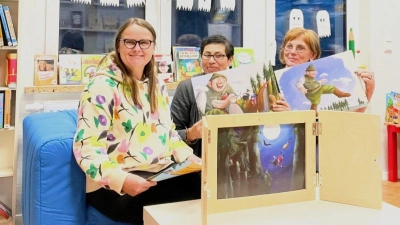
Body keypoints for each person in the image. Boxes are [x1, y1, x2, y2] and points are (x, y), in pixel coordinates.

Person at [73, 18, 201, 225]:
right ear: (118, 45)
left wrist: (188, 157)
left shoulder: (156, 83)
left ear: (153, 47)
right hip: (114, 184)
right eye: (129, 42)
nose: (137, 48)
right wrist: (121, 180)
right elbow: (86, 148)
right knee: (184, 210)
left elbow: (169, 134)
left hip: (158, 172)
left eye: (144, 43)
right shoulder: (100, 86)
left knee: (211, 190)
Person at [171, 34, 290, 157]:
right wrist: (190, 134)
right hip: (202, 164)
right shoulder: (188, 87)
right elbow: (171, 134)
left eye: (219, 56)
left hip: (243, 157)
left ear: (230, 59)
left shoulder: (237, 86)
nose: (211, 61)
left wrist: (284, 115)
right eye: (207, 55)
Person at [278, 27, 375, 112]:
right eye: (289, 46)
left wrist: (368, 91)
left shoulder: (317, 74)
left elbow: (349, 121)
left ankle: (340, 94)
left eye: (300, 48)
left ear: (313, 55)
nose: (293, 52)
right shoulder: (273, 82)